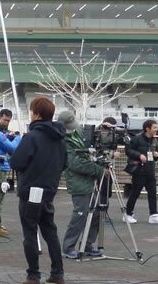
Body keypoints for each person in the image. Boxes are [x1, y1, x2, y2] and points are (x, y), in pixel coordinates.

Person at [10, 97, 67, 284]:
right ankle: (57, 273)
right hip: (49, 190)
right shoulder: (60, 138)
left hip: (31, 190)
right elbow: (64, 163)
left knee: (30, 232)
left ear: (36, 114)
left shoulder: (32, 136)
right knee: (50, 231)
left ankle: (33, 275)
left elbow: (17, 162)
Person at [60, 110, 108, 259]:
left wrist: (102, 129)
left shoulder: (77, 133)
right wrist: (100, 171)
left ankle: (87, 244)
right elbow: (76, 164)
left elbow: (91, 135)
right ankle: (68, 248)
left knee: (96, 214)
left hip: (89, 181)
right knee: (80, 215)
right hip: (78, 183)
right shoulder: (63, 141)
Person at [123, 119, 158, 224]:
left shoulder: (155, 140)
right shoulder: (137, 138)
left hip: (150, 170)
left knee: (152, 193)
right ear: (148, 128)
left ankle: (153, 215)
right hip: (139, 171)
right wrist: (139, 155)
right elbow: (128, 150)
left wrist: (157, 155)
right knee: (135, 193)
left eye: (156, 127)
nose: (156, 129)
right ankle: (128, 214)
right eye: (154, 127)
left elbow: (156, 153)